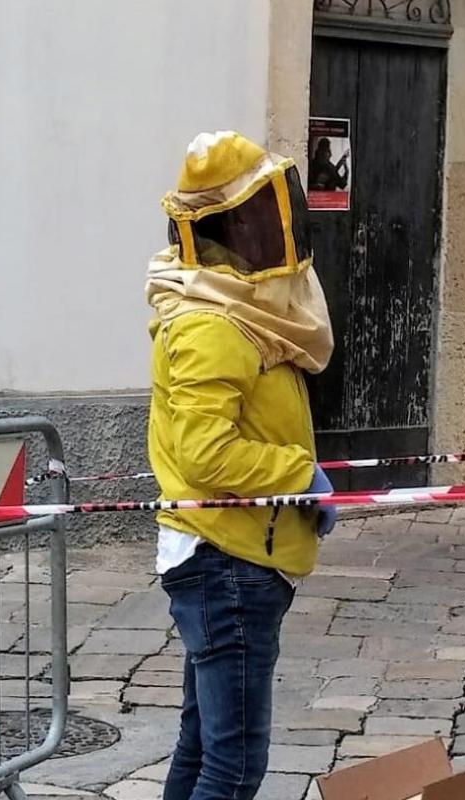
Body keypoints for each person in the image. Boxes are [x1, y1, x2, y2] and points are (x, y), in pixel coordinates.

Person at [146, 131, 337, 800]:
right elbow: (205, 453)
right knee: (235, 767)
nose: (267, 229)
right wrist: (298, 475)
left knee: (202, 750)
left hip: (228, 555)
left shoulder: (238, 309)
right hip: (228, 560)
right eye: (251, 216)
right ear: (223, 227)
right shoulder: (213, 322)